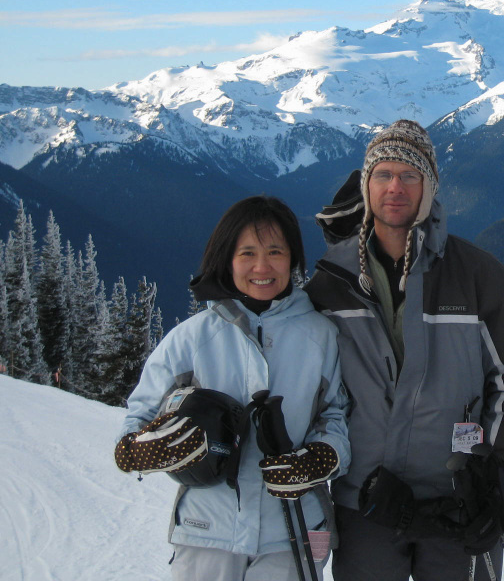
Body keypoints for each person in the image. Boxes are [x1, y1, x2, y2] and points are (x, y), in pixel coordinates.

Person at [305, 119, 504, 581]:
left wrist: (494, 473)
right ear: (366, 184)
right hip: (366, 501)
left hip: (460, 501)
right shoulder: (330, 283)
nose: (396, 187)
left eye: (410, 175)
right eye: (383, 174)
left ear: (429, 187)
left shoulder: (477, 277)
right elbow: (302, 379)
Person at [115, 196, 350, 581]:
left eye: (276, 251)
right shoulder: (192, 339)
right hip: (207, 531)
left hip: (291, 533)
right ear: (227, 259)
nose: (262, 266)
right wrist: (139, 450)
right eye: (247, 253)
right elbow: (137, 421)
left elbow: (336, 416)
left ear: (293, 258)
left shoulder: (321, 337)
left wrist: (322, 457)